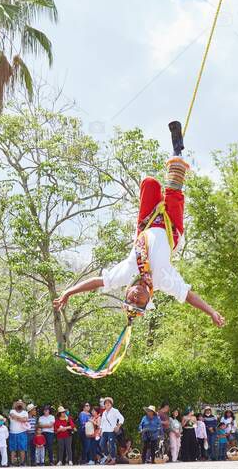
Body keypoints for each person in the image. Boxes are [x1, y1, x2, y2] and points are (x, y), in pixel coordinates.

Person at [52, 137, 225, 333]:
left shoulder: (125, 274)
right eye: (138, 301)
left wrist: (69, 292)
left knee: (149, 183)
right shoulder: (163, 281)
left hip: (147, 223)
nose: (135, 296)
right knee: (174, 189)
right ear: (148, 300)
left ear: (126, 291)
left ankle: (162, 184)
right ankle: (178, 150)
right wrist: (211, 311)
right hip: (171, 228)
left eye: (131, 297)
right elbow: (188, 295)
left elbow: (97, 282)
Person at [99, 397, 124, 464]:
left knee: (111, 445)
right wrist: (100, 430)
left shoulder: (115, 411)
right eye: (106, 403)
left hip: (111, 431)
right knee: (101, 444)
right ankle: (108, 456)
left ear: (111, 404)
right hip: (104, 431)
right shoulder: (104, 412)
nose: (107, 404)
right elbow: (102, 422)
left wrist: (118, 426)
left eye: (108, 403)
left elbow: (121, 418)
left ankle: (113, 459)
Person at [8, 400, 29, 467]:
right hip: (12, 432)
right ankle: (12, 463)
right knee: (12, 449)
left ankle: (22, 463)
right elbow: (13, 416)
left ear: (23, 405)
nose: (19, 404)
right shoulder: (12, 411)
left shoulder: (25, 412)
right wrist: (21, 419)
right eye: (18, 403)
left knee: (22, 448)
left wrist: (16, 418)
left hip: (22, 432)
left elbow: (25, 420)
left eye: (21, 403)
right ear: (15, 405)